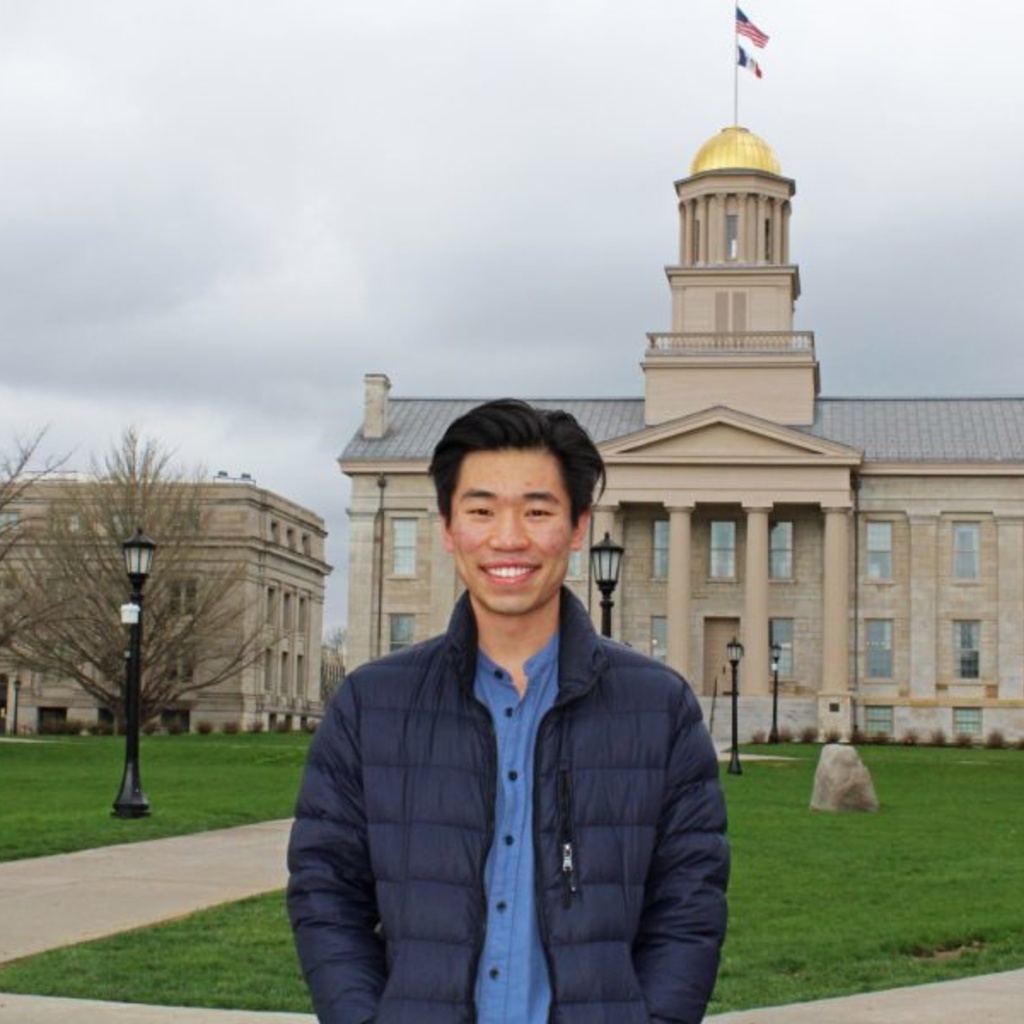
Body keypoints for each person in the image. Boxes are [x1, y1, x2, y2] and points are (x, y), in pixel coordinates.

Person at [287, 399, 729, 1024]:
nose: (509, 538)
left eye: (538, 510)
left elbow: (690, 908)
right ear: (447, 528)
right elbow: (326, 894)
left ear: (578, 527)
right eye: (482, 510)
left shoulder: (659, 710)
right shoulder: (370, 706)